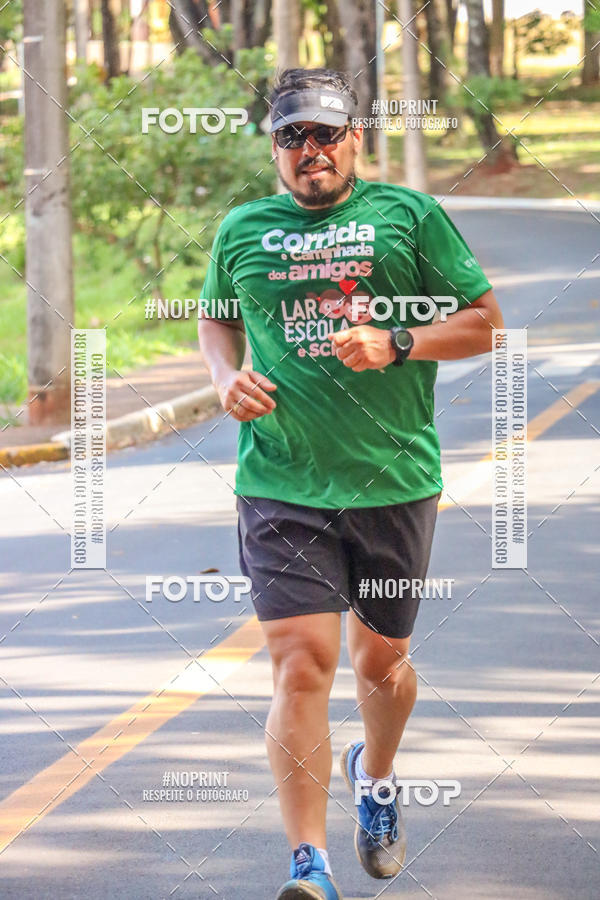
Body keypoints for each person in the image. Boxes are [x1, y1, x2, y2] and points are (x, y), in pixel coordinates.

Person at [198, 67, 503, 900]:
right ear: (273, 147)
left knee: (381, 666)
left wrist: (397, 342)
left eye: (326, 133)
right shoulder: (243, 229)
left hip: (393, 479)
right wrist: (225, 378)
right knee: (301, 665)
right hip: (280, 481)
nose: (311, 150)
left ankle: (375, 774)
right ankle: (310, 865)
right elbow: (216, 318)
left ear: (354, 137)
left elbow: (485, 323)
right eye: (292, 135)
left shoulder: (409, 216)